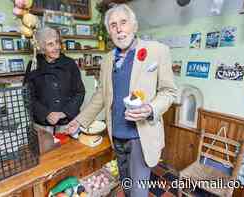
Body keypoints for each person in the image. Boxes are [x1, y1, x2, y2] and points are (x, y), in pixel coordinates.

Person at [66, 4, 177, 197]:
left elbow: (169, 92)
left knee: (138, 191)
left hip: (140, 138)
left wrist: (151, 108)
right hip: (116, 136)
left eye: (123, 22)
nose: (119, 29)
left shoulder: (158, 51)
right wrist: (79, 120)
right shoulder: (107, 60)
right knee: (126, 185)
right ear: (109, 31)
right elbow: (100, 95)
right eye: (113, 25)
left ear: (134, 26)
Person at [26, 27, 85, 138]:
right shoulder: (33, 65)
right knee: (47, 155)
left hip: (67, 124)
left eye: (57, 42)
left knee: (70, 154)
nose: (56, 47)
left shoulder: (69, 64)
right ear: (42, 48)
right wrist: (46, 114)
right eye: (50, 44)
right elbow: (28, 97)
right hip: (43, 127)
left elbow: (80, 92)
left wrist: (63, 113)